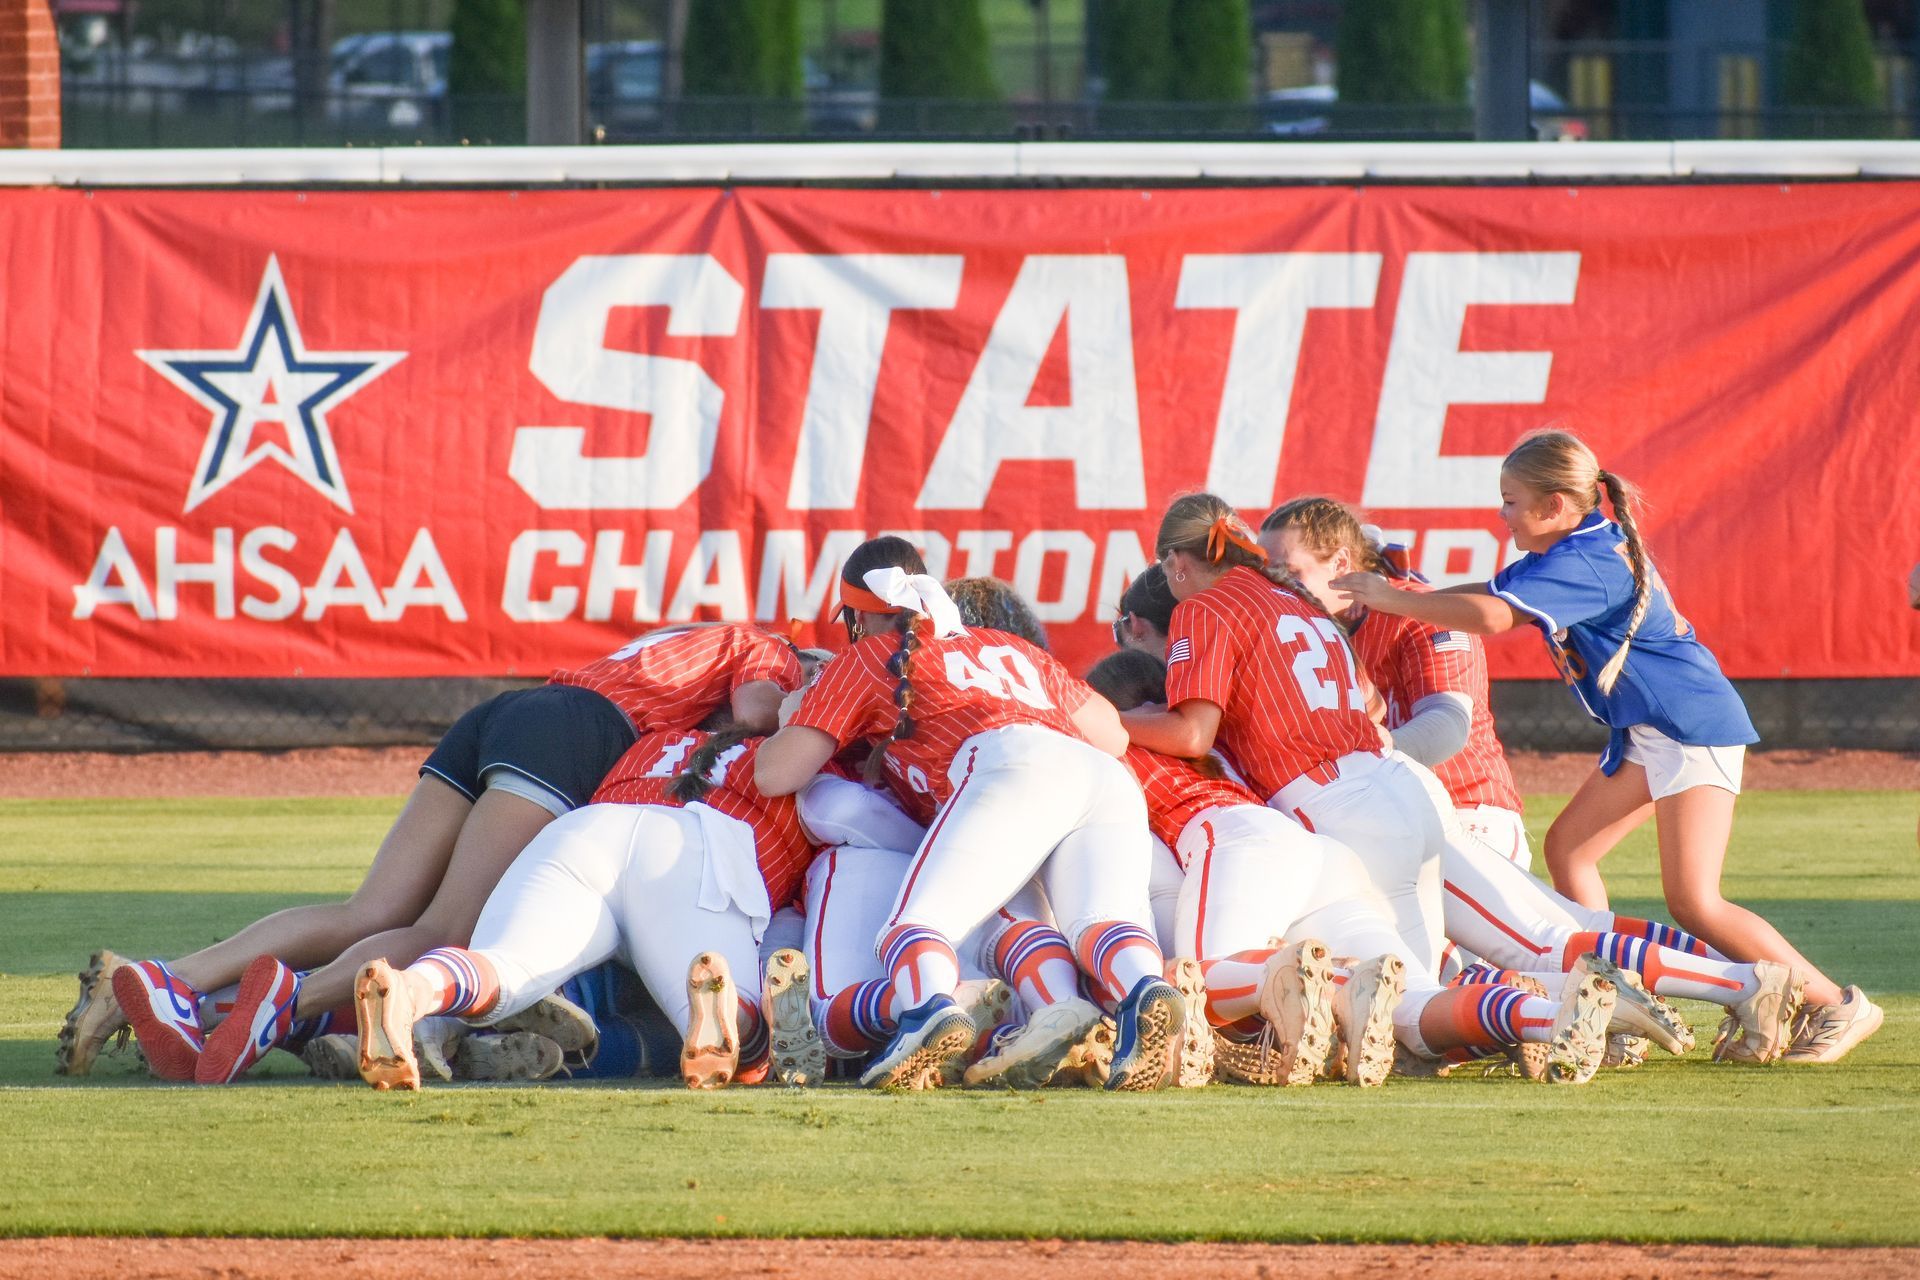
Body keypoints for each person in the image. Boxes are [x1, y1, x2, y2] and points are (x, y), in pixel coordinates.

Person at [1331, 429, 1883, 1064]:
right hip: (1652, 732)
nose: (1502, 513)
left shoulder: (1584, 561)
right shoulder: (1571, 546)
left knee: (1695, 900)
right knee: (1570, 850)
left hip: (1688, 727)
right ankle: (1611, 991)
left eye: (1511, 500)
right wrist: (1411, 596)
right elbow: (1489, 594)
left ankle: (1834, 1003)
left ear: (1557, 505)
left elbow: (1493, 620)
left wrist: (1394, 599)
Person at [86, 623, 804, 1083]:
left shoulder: (691, 634)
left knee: (368, 909)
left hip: (515, 710)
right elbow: (756, 713)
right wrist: (819, 711)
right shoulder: (770, 648)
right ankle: (288, 1006)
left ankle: (174, 985)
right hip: (583, 736)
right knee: (447, 930)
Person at [755, 536, 1186, 1092]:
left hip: (1009, 765)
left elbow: (777, 775)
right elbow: (1110, 733)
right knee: (1102, 923)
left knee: (916, 925)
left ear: (859, 618)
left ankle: (929, 1010)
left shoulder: (867, 659)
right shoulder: (1008, 646)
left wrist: (796, 710)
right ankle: (1142, 991)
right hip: (1103, 780)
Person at [1086, 648, 1619, 1087]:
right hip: (1322, 856)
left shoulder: (1115, 751)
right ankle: (1548, 1016)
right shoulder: (1219, 739)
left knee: (1201, 982)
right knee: (1411, 1007)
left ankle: (1329, 979)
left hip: (1239, 846)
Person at [353, 724, 820, 1092]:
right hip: (695, 849)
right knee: (739, 1040)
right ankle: (728, 1009)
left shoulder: (658, 739)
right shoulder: (813, 773)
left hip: (586, 829)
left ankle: (414, 989)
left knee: (504, 966)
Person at [1117, 493, 1448, 977]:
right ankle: (1525, 1004)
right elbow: (1372, 703)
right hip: (1399, 781)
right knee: (1418, 985)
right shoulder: (1296, 594)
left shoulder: (1204, 607)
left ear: (1176, 560)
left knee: (1219, 976)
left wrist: (1110, 718)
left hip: (1328, 800)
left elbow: (1192, 736)